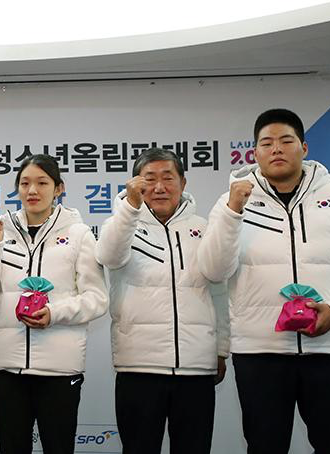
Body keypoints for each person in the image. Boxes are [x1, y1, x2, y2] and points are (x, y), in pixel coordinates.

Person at [198, 108, 330, 453]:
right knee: (265, 445)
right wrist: (232, 213)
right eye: (266, 143)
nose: (277, 149)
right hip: (261, 351)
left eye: (286, 141)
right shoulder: (230, 203)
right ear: (254, 153)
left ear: (304, 147)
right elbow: (212, 270)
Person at [95, 147, 229, 454]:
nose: (158, 187)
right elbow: (109, 257)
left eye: (168, 178)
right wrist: (130, 208)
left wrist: (221, 348)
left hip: (195, 368)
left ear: (183, 182)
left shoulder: (205, 228)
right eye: (149, 179)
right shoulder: (119, 226)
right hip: (138, 368)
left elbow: (219, 292)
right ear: (135, 184)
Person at [0, 154, 108, 454]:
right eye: (24, 183)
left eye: (42, 183)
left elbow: (97, 300)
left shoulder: (79, 234)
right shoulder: (0, 231)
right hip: (7, 369)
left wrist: (55, 314)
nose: (32, 190)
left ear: (59, 188)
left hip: (59, 370)